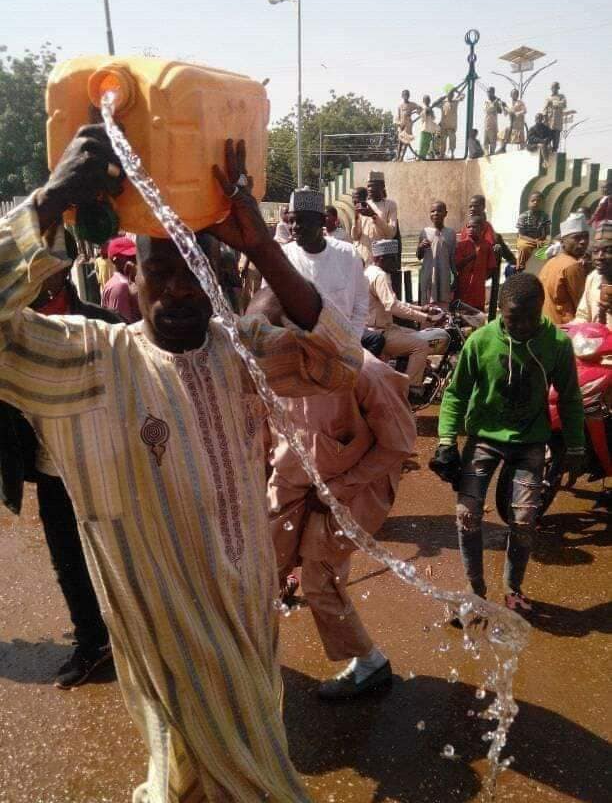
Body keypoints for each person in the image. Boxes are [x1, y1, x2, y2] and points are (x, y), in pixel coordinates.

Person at [0, 129, 363, 802]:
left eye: (195, 271)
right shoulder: (94, 363)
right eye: (159, 272)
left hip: (250, 622)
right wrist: (46, 205)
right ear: (131, 279)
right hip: (170, 643)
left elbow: (340, 362)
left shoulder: (239, 351)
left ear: (219, 278)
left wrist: (263, 248)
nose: (179, 291)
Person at [249, 289, 415, 699]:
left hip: (352, 490)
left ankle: (371, 664)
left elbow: (398, 444)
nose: (262, 355)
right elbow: (265, 433)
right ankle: (248, 655)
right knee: (260, 569)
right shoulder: (268, 367)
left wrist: (338, 490)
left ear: (301, 336)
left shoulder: (364, 372)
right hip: (290, 482)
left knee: (319, 582)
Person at [430, 273, 584, 613]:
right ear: (500, 311)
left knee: (524, 519)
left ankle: (513, 588)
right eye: (514, 319)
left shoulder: (557, 345)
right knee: (467, 514)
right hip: (484, 438)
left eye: (531, 317)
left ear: (541, 309)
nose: (523, 326)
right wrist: (446, 441)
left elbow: (570, 399)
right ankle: (474, 590)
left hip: (530, 441)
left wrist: (576, 447)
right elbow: (456, 395)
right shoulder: (480, 342)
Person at [0, 266, 122, 689]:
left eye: (42, 277)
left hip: (109, 467)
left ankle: (144, 638)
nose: (33, 288)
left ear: (61, 273)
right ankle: (93, 641)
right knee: (68, 561)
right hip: (52, 471)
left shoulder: (106, 326)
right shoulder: (13, 331)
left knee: (122, 557)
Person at [276, 188, 368, 338]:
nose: (295, 227)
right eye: (291, 221)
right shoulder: (283, 257)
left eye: (302, 220)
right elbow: (271, 303)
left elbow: (360, 303)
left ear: (321, 221)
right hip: (297, 343)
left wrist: (352, 340)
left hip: (342, 343)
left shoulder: (348, 254)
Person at [365, 239, 449, 402]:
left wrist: (422, 309)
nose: (396, 263)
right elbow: (393, 306)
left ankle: (408, 372)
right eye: (393, 258)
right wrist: (426, 318)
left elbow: (395, 302)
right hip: (380, 331)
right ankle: (411, 389)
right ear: (381, 258)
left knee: (416, 334)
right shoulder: (380, 276)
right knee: (421, 345)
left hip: (378, 328)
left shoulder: (370, 271)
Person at [539, 212, 589, 325]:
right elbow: (583, 305)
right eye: (576, 237)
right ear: (562, 242)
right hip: (565, 327)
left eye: (586, 236)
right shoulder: (572, 265)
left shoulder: (550, 262)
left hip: (546, 325)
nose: (583, 241)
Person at [351, 171, 398, 265]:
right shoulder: (363, 205)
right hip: (363, 258)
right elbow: (355, 237)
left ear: (382, 186)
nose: (370, 189)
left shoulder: (390, 205)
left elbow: (391, 233)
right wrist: (356, 218)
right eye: (368, 186)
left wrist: (373, 215)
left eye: (373, 186)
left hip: (381, 260)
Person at [417, 200, 456, 307]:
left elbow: (452, 257)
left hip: (444, 275)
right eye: (432, 211)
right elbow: (419, 256)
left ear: (445, 213)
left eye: (439, 211)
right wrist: (420, 247)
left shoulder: (451, 233)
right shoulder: (424, 232)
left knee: (443, 304)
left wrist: (455, 276)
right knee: (428, 305)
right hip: (429, 274)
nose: (435, 213)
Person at [454, 215, 497, 311]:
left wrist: (481, 278)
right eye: (468, 227)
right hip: (463, 287)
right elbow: (457, 265)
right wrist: (471, 257)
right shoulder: (461, 245)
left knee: (478, 313)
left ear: (481, 229)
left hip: (478, 289)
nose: (471, 229)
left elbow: (491, 267)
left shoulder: (487, 246)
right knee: (461, 312)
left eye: (474, 227)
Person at [575, 221, 612, 328]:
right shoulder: (593, 277)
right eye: (595, 251)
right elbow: (583, 315)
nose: (599, 257)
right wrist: (577, 331)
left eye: (608, 251)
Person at [101, 235, 141, 322]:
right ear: (115, 260)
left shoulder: (130, 280)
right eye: (129, 257)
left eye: (134, 255)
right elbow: (122, 325)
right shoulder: (120, 286)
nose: (134, 259)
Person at [516, 191, 551, 271]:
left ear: (542, 204)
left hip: (540, 240)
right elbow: (521, 235)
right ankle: (520, 267)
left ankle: (545, 268)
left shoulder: (545, 216)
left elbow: (547, 233)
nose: (535, 203)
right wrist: (535, 241)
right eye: (533, 201)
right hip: (526, 240)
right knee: (524, 247)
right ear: (529, 203)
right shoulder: (523, 216)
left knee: (551, 247)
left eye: (538, 201)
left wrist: (543, 240)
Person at [395, 89, 422, 161]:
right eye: (404, 95)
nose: (406, 96)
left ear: (409, 96)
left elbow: (420, 108)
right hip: (401, 126)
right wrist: (399, 125)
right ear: (402, 96)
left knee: (406, 142)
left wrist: (414, 112)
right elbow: (398, 117)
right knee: (400, 142)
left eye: (407, 95)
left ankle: (401, 157)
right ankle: (397, 157)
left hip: (408, 126)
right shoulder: (400, 106)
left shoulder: (412, 104)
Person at [440, 88, 465, 158]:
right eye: (449, 95)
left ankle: (452, 154)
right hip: (444, 126)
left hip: (452, 126)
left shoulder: (455, 101)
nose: (450, 96)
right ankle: (442, 154)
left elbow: (463, 95)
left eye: (451, 95)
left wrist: (457, 91)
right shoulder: (443, 103)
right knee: (442, 141)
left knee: (452, 141)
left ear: (453, 96)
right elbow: (436, 103)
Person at [543, 82, 567, 153]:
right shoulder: (548, 98)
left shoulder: (561, 96)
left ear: (558, 88)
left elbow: (564, 104)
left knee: (556, 139)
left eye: (555, 87)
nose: (554, 89)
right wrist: (545, 118)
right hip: (549, 121)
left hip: (557, 121)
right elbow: (544, 109)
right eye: (553, 87)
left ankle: (554, 151)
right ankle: (548, 151)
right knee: (547, 138)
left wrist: (554, 103)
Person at [483, 87, 503, 156]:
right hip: (487, 124)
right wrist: (495, 102)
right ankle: (486, 155)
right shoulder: (486, 102)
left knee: (493, 142)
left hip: (493, 125)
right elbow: (488, 109)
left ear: (493, 93)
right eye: (488, 92)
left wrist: (499, 103)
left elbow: (500, 111)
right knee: (485, 142)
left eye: (490, 92)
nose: (488, 94)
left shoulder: (495, 102)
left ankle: (492, 154)